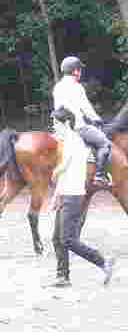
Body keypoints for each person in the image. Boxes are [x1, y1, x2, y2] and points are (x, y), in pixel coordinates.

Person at [48, 107, 117, 287]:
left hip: (73, 196)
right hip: (66, 194)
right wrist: (56, 195)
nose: (53, 127)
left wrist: (53, 173)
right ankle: (62, 277)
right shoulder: (67, 141)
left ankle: (103, 262)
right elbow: (65, 173)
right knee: (57, 238)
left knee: (68, 239)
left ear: (66, 123)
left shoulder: (73, 141)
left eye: (56, 123)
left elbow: (64, 167)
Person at [52, 55, 112, 188]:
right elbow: (86, 107)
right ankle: (100, 176)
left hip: (61, 129)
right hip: (78, 127)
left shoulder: (58, 86)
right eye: (79, 70)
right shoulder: (77, 87)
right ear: (75, 71)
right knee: (105, 144)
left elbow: (59, 109)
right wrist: (97, 119)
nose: (80, 72)